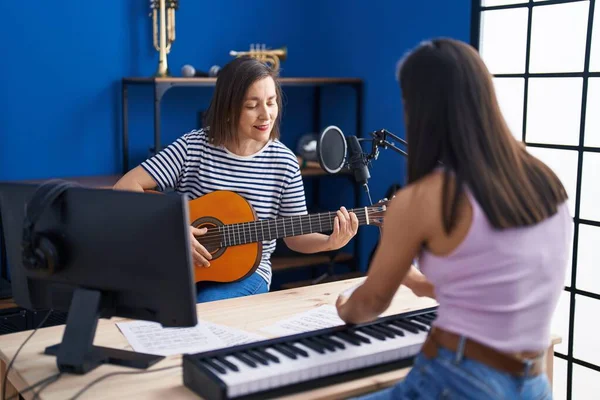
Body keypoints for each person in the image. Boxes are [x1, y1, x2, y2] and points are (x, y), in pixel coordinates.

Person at [336, 38, 571, 399]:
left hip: (458, 381)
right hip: (533, 384)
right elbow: (495, 289)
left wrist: (345, 307)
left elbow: (369, 304)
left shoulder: (426, 197)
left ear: (421, 109)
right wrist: (417, 283)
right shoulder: (543, 180)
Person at [114, 56, 359, 303]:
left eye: (271, 103)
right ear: (229, 109)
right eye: (252, 105)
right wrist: (172, 229)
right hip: (183, 266)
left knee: (205, 306)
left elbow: (295, 237)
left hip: (249, 274)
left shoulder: (284, 161)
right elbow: (125, 187)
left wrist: (330, 242)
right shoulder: (194, 147)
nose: (266, 115)